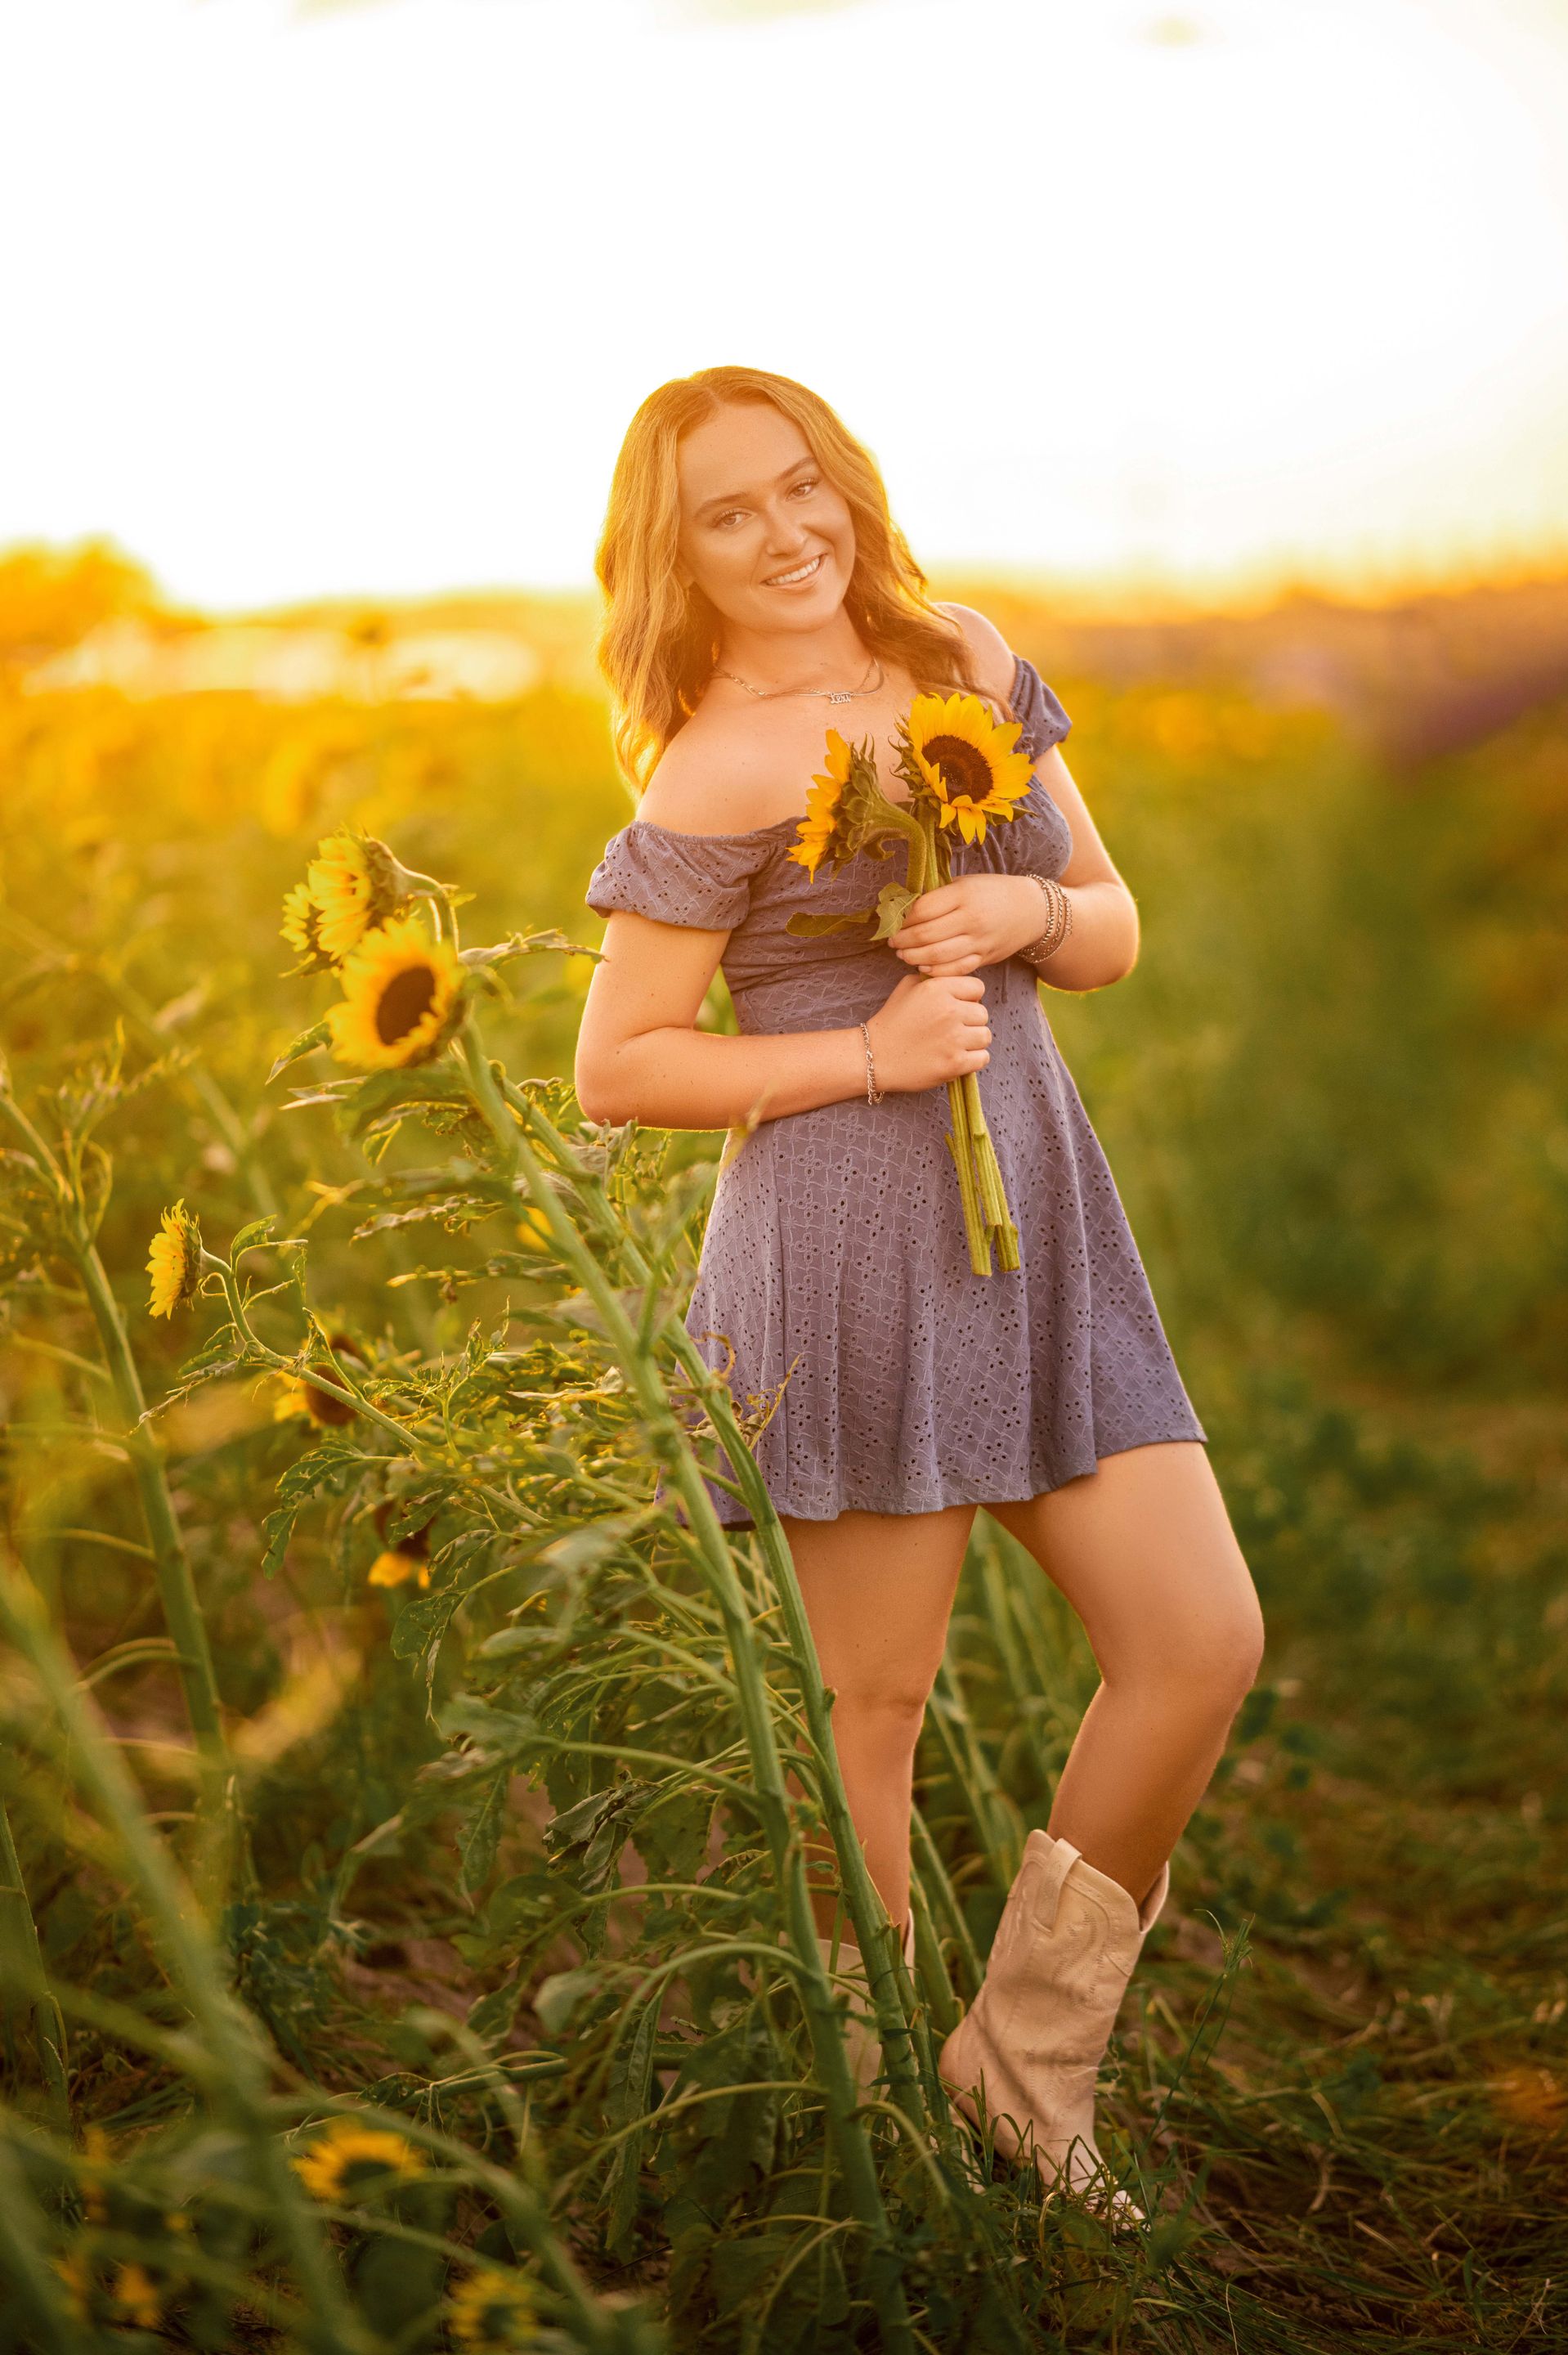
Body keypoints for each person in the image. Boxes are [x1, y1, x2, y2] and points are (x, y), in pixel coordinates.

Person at [575, 365, 1264, 2205]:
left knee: (1199, 1646)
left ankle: (1020, 2075)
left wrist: (1027, 916)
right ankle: (868, 2135)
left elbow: (1108, 916)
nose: (788, 532)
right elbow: (620, 1066)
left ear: (846, 482)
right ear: (679, 556)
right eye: (733, 513)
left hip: (1037, 1220)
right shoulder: (717, 759)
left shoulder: (957, 656)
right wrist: (870, 1052)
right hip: (842, 1255)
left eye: (802, 486)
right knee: (866, 1721)